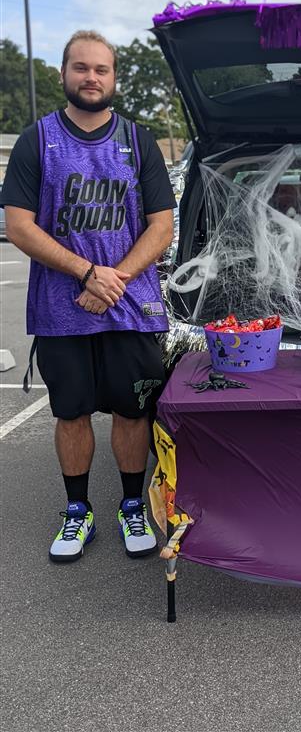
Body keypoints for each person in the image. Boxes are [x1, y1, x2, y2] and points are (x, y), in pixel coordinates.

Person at [2, 30, 176, 562]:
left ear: (114, 78)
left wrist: (113, 279)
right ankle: (78, 512)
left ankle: (129, 506)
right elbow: (19, 226)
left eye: (101, 69)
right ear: (64, 74)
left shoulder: (139, 140)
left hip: (130, 307)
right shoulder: (37, 140)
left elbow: (161, 226)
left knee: (132, 411)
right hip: (62, 311)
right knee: (70, 413)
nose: (91, 77)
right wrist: (85, 273)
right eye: (81, 68)